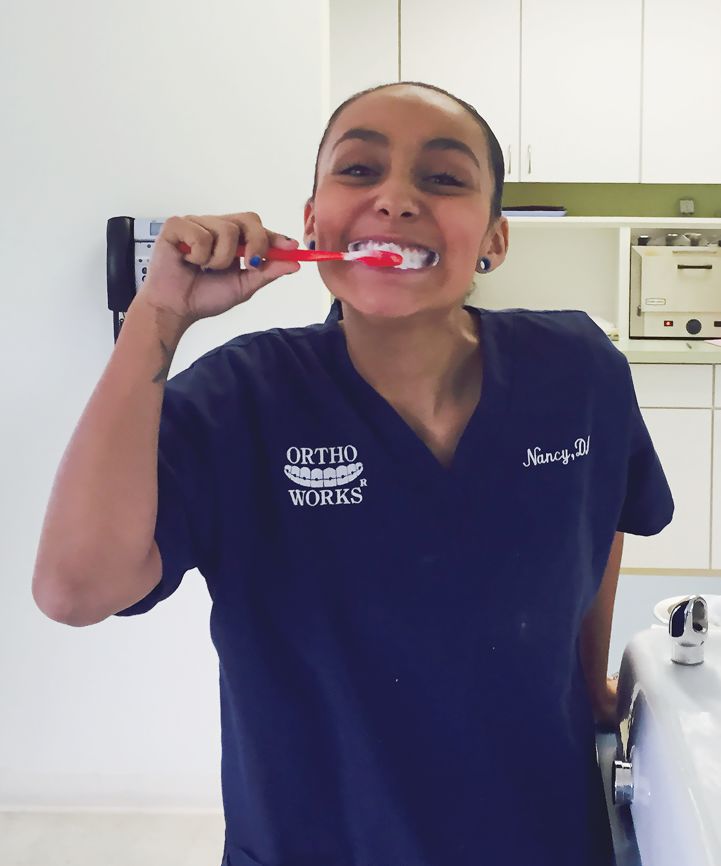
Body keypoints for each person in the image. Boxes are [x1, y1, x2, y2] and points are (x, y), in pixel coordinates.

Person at [32, 81, 674, 866]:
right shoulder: (243, 397)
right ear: (309, 223)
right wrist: (157, 318)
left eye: (442, 178)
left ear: (494, 240)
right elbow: (75, 589)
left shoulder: (576, 369)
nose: (395, 199)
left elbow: (601, 515)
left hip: (541, 835)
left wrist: (591, 681)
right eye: (359, 171)